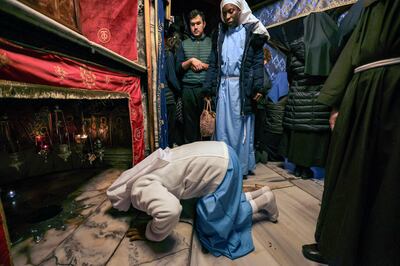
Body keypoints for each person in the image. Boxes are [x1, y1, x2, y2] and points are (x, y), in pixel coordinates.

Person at [302, 1, 400, 265]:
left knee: (384, 180)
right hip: (363, 87)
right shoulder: (363, 8)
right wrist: (337, 100)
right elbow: (351, 46)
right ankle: (340, 244)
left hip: (387, 87)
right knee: (349, 171)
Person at [107, 141, 279, 260]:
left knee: (213, 224)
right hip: (222, 152)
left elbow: (171, 210)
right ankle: (261, 193)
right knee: (226, 202)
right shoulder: (143, 170)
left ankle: (264, 201)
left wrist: (150, 233)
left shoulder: (138, 189)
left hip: (221, 170)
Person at [203, 0, 269, 177]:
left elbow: (256, 63)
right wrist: (208, 89)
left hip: (241, 89)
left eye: (231, 11)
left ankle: (240, 166)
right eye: (224, 13)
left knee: (240, 129)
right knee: (222, 128)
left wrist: (258, 87)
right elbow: (214, 64)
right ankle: (224, 166)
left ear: (240, 10)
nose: (228, 16)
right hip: (223, 89)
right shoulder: (220, 34)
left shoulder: (250, 34)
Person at [175, 10, 212, 144]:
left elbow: (216, 66)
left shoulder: (211, 43)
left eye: (198, 23)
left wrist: (203, 65)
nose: (195, 27)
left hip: (205, 89)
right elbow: (178, 68)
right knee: (189, 127)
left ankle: (206, 159)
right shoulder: (183, 44)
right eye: (192, 24)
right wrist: (190, 61)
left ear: (204, 24)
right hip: (188, 90)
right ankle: (191, 159)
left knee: (206, 125)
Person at [165, 31, 184, 147]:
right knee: (170, 129)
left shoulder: (161, 53)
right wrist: (180, 90)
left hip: (163, 97)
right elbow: (171, 77)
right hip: (169, 98)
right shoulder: (169, 55)